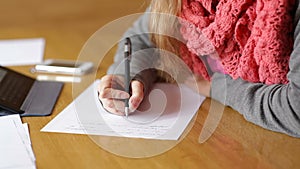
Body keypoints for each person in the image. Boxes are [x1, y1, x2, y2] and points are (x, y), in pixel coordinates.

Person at [98, 0, 300, 138]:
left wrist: (214, 87)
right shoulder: (185, 4)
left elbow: (295, 110)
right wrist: (130, 76)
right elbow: (142, 38)